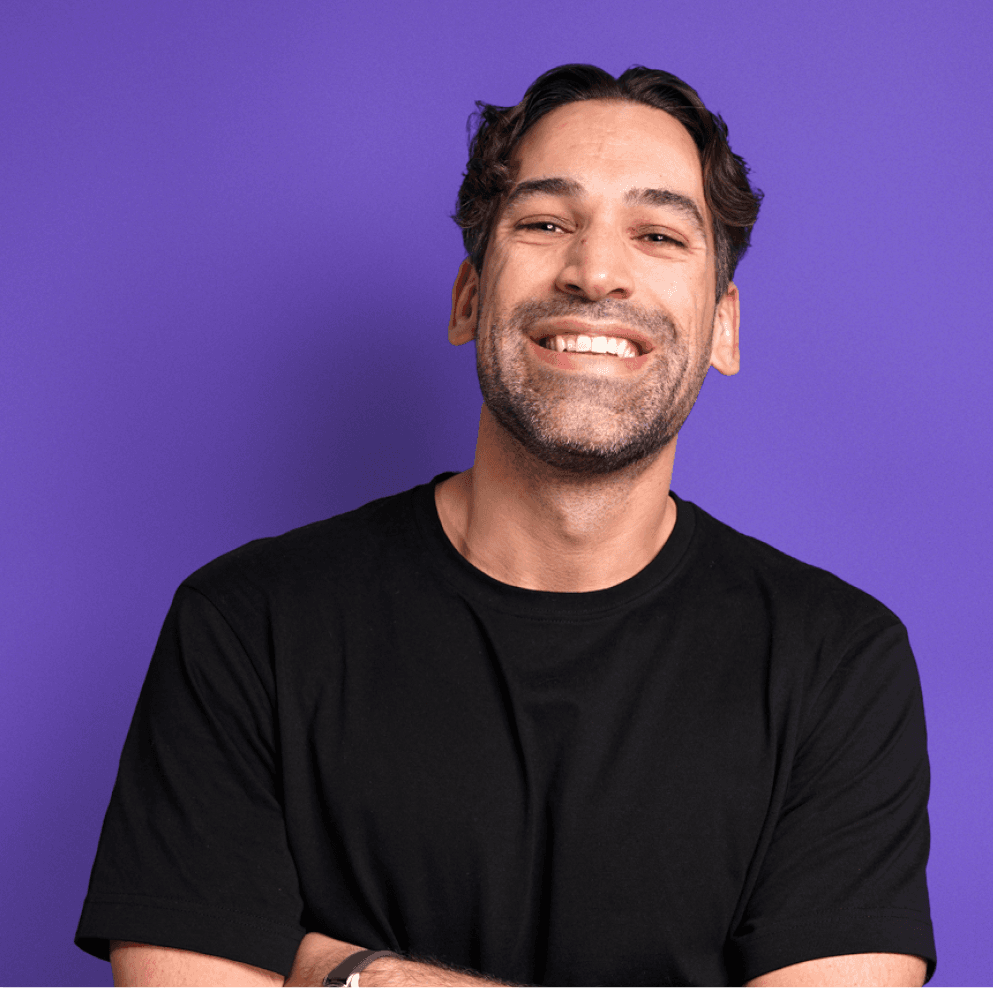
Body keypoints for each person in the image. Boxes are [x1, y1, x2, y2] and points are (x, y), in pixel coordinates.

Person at [75, 64, 935, 987]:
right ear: (468, 300)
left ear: (723, 326)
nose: (596, 271)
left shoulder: (838, 662)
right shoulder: (246, 626)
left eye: (656, 234)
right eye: (545, 223)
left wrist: (361, 975)